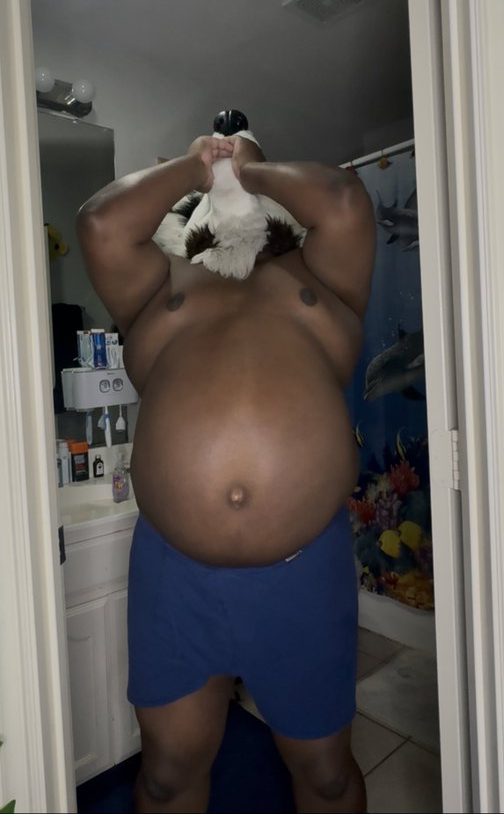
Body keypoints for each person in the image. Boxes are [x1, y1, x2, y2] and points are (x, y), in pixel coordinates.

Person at [77, 131, 376, 814]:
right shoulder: (160, 286)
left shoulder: (320, 278)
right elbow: (99, 223)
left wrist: (251, 166)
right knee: (164, 777)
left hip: (304, 574)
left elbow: (342, 198)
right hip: (174, 576)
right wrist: (195, 166)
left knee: (327, 777)